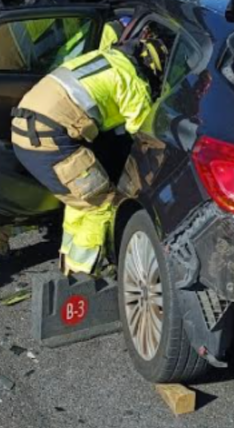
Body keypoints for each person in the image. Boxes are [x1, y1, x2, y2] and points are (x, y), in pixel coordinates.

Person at [11, 33, 167, 276]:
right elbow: (146, 136)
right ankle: (85, 276)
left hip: (24, 129)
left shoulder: (107, 57)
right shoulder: (134, 81)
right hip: (49, 139)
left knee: (79, 199)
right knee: (100, 202)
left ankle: (69, 267)